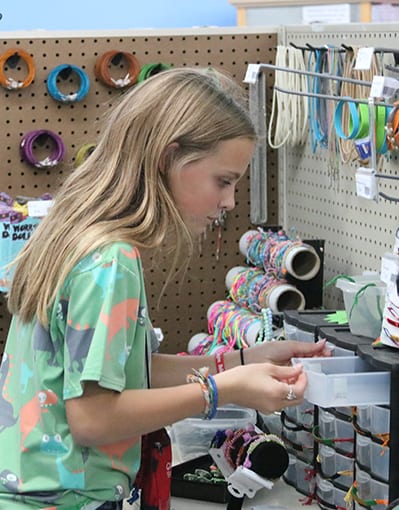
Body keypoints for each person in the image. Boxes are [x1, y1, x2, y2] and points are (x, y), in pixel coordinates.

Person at [0, 67, 330, 509]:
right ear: (168, 158)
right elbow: (94, 418)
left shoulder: (79, 233)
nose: (229, 202)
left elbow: (119, 372)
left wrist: (243, 360)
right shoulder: (110, 259)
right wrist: (223, 390)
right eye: (224, 180)